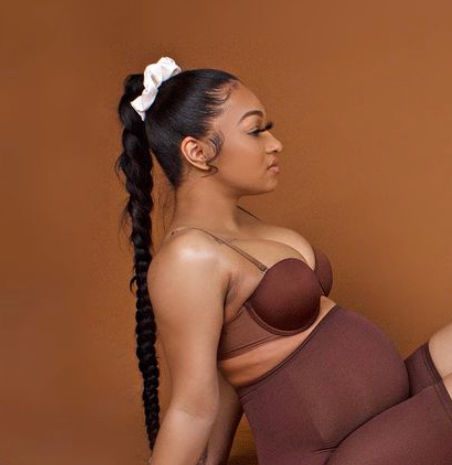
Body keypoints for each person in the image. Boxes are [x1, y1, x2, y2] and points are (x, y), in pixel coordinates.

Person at [115, 56, 452, 465]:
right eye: (255, 130)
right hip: (336, 455)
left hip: (381, 422)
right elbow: (192, 409)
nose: (275, 144)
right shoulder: (188, 258)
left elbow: (227, 373)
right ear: (198, 151)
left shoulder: (241, 226)